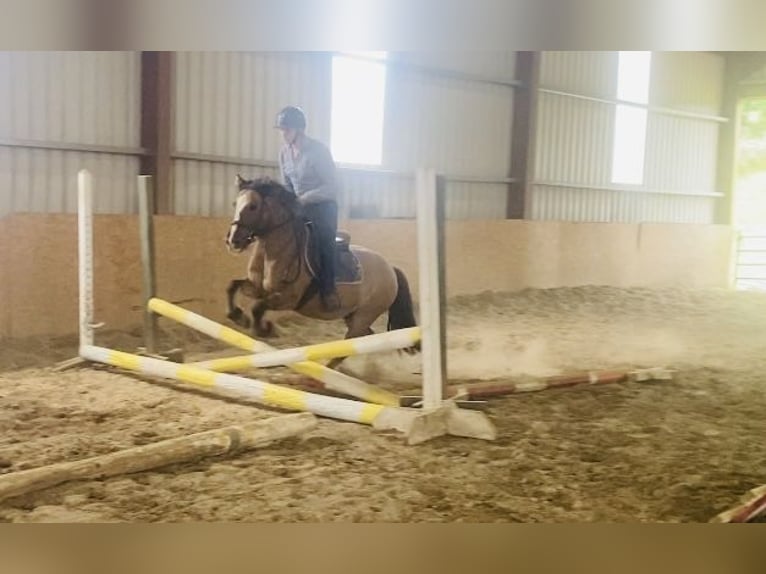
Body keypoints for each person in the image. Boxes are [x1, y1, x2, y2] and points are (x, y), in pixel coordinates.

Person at [275, 105, 341, 311]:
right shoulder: (284, 153)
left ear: (299, 130)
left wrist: (304, 199)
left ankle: (328, 289)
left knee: (324, 240)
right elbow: (287, 184)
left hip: (323, 206)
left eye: (286, 129)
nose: (283, 134)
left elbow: (332, 187)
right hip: (299, 206)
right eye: (282, 130)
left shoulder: (319, 151)